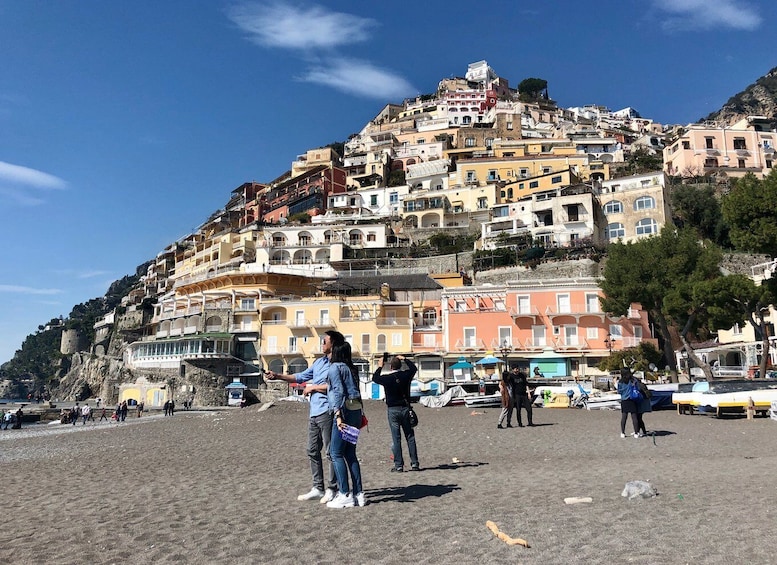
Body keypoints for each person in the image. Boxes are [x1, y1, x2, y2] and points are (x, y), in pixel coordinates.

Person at [267, 330, 344, 503]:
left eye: (325, 341)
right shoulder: (318, 363)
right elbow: (300, 377)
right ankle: (318, 487)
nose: (322, 343)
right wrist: (277, 375)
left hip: (328, 411)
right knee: (312, 450)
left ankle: (332, 488)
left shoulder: (338, 364)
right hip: (314, 412)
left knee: (331, 452)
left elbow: (337, 387)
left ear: (333, 344)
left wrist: (313, 388)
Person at [324, 342, 365, 508]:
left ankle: (344, 493)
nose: (329, 352)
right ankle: (359, 494)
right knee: (350, 453)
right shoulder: (351, 368)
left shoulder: (335, 368)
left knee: (336, 453)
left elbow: (338, 392)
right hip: (356, 409)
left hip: (344, 410)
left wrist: (338, 415)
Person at [372, 354, 419, 472]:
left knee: (396, 438)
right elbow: (414, 368)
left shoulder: (387, 378)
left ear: (391, 367)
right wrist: (405, 359)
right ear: (400, 366)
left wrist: (379, 366)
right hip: (405, 408)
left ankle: (398, 465)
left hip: (393, 410)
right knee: (410, 436)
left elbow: (375, 378)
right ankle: (414, 463)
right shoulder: (406, 375)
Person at [616, 368, 640, 438]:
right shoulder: (632, 380)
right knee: (634, 417)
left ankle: (623, 433)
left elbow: (619, 391)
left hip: (624, 400)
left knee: (624, 417)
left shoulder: (620, 382)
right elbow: (637, 386)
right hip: (632, 399)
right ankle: (636, 433)